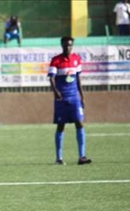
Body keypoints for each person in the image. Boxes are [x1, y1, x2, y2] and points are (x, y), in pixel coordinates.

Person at [48, 36, 92, 166]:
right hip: (61, 99)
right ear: (62, 45)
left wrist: (82, 96)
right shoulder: (56, 60)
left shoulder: (76, 59)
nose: (68, 47)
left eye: (70, 45)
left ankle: (82, 156)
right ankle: (59, 158)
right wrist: (56, 92)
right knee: (61, 126)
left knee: (79, 123)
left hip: (74, 98)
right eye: (66, 45)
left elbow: (78, 79)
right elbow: (51, 78)